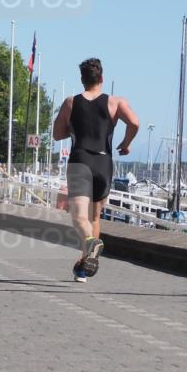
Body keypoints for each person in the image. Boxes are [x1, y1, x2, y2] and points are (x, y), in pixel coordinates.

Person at [53, 58, 139, 282]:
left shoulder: (71, 102)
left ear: (82, 80)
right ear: (101, 78)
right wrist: (126, 143)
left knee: (79, 217)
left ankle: (91, 244)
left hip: (80, 159)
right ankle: (84, 268)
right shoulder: (116, 102)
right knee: (94, 217)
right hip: (103, 162)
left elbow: (57, 134)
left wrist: (74, 127)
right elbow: (135, 123)